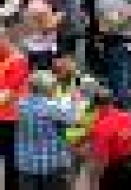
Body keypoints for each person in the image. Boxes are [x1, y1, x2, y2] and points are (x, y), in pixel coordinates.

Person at [14, 70, 76, 190]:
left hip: (26, 164)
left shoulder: (20, 104)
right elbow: (72, 119)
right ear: (48, 88)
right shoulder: (51, 107)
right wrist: (72, 100)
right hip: (51, 164)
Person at [85, 86, 131, 189]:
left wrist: (93, 183)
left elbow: (101, 160)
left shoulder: (100, 127)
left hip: (112, 172)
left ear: (96, 106)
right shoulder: (130, 118)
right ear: (112, 101)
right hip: (130, 166)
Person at [0, 33, 30, 189]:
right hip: (4, 117)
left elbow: (7, 94)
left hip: (11, 118)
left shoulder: (18, 61)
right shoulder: (4, 60)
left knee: (11, 161)